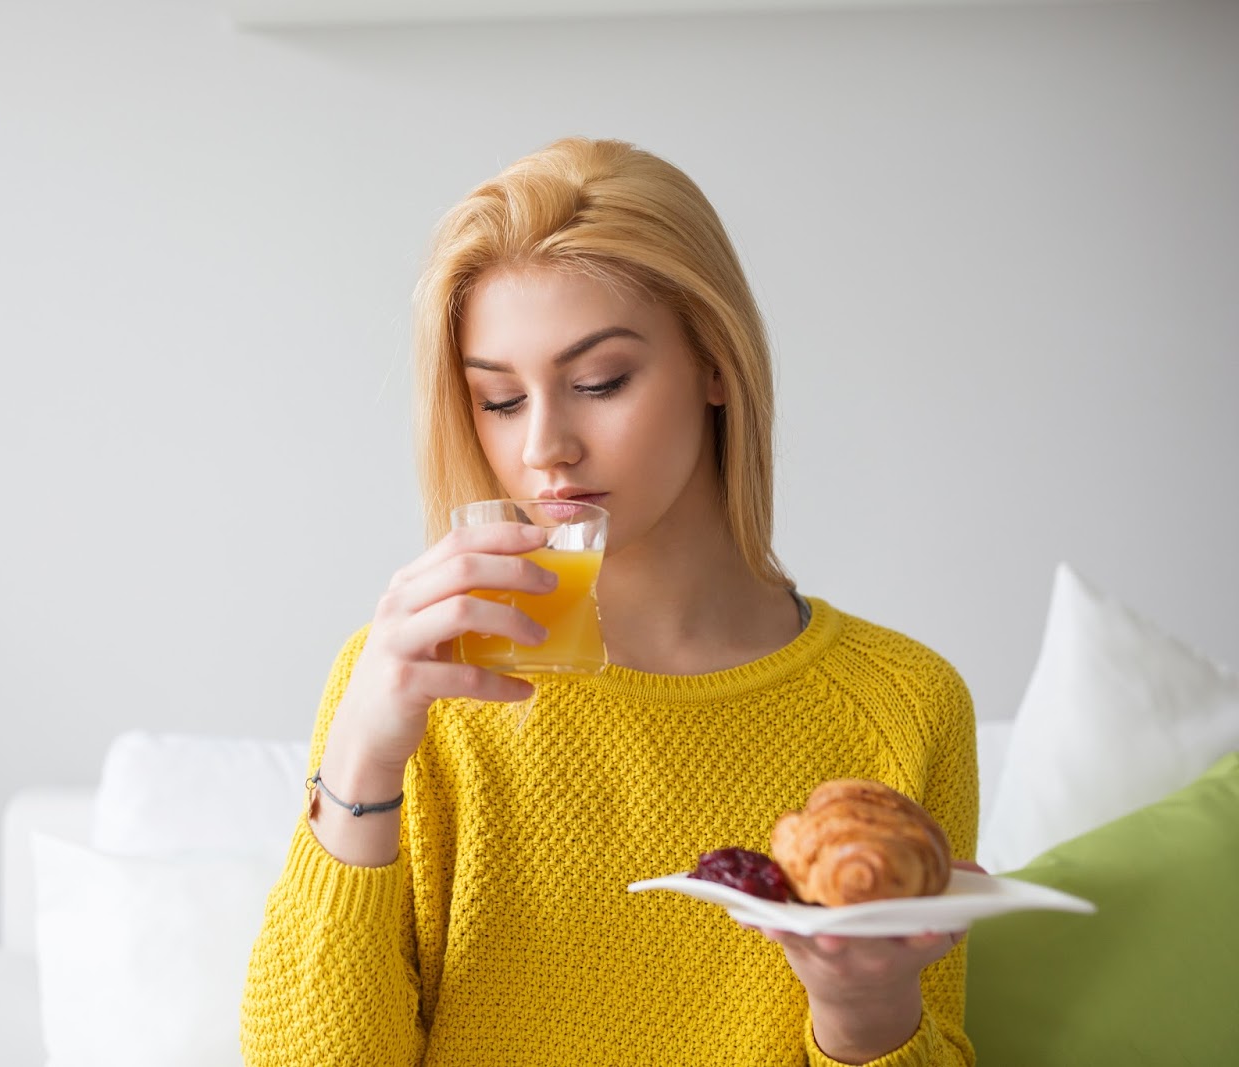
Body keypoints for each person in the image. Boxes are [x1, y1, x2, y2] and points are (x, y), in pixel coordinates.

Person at [240, 137, 978, 1066]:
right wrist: (360, 756)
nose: (546, 445)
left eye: (599, 383)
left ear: (716, 364)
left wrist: (862, 1009)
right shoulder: (421, 679)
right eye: (500, 399)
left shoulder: (907, 703)